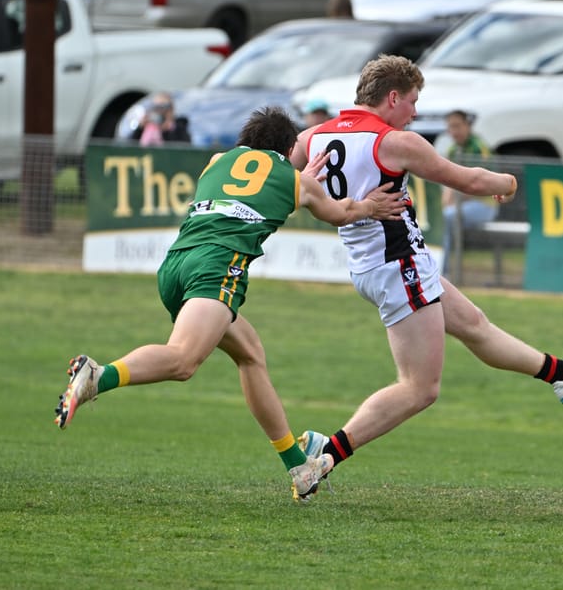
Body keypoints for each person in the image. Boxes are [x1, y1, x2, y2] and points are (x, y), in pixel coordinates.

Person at [290, 55, 563, 486]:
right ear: (392, 97)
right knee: (419, 388)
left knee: (474, 324)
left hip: (378, 266)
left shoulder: (312, 136)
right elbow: (465, 180)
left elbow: (282, 173)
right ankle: (326, 452)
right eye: (412, 102)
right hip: (399, 267)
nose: (414, 112)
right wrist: (507, 183)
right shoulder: (394, 141)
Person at [53, 106, 406, 501]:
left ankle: (299, 466)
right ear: (291, 148)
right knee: (184, 360)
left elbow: (252, 184)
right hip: (217, 267)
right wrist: (370, 206)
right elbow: (340, 213)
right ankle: (98, 376)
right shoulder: (296, 181)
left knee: (251, 354)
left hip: (175, 266)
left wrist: (296, 181)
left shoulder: (217, 161)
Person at [440, 110, 498, 277]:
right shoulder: (453, 150)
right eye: (451, 127)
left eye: (458, 126)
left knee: (447, 217)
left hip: (484, 206)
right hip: (459, 206)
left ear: (468, 126)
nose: (454, 131)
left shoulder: (478, 148)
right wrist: (446, 202)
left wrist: (451, 203)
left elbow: (475, 185)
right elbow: (448, 185)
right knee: (443, 216)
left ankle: (442, 273)